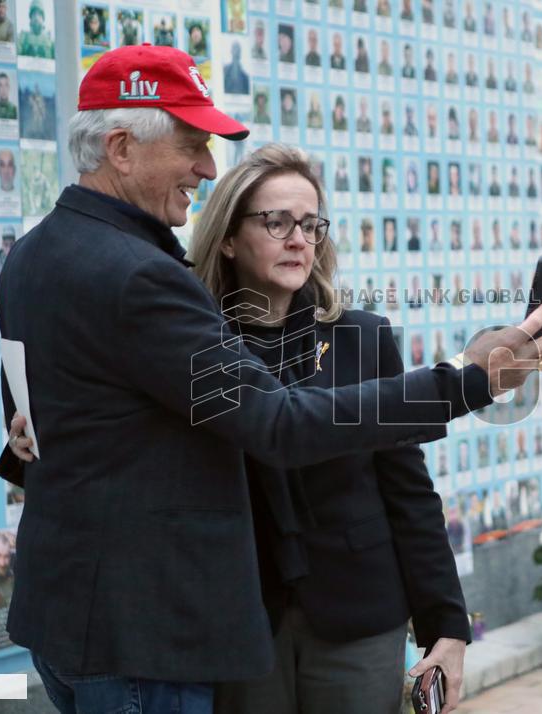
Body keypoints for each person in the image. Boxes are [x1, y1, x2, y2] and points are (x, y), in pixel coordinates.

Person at [0, 44, 542, 713]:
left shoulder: (31, 255)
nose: (206, 168)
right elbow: (280, 424)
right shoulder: (143, 278)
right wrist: (468, 379)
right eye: (191, 146)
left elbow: (51, 426)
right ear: (121, 148)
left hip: (82, 624)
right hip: (144, 636)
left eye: (311, 224)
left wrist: (444, 623)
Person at [189, 146, 471, 713]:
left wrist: (447, 623)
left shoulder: (360, 336)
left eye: (311, 224)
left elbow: (407, 487)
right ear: (226, 237)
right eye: (276, 222)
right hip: (241, 619)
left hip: (358, 612)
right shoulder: (191, 344)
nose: (298, 239)